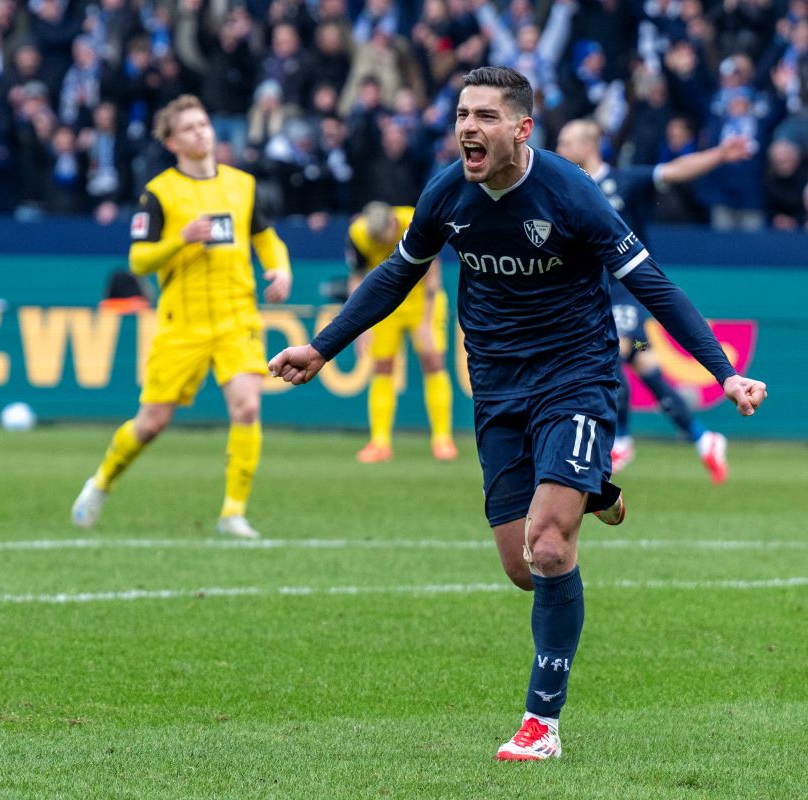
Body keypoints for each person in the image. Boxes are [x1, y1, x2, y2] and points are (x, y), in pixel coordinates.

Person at [269, 66, 766, 761]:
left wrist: (725, 371)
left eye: (485, 116)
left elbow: (650, 282)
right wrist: (322, 347)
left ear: (522, 129)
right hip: (497, 383)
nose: (467, 127)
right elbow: (396, 275)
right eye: (462, 115)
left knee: (552, 546)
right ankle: (592, 491)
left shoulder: (571, 194)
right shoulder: (447, 192)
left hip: (576, 376)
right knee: (522, 565)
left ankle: (541, 725)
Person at [72, 95, 293, 539]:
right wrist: (181, 240)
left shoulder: (241, 186)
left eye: (204, 124)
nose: (201, 132)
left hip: (236, 315)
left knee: (248, 406)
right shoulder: (159, 194)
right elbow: (138, 261)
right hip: (182, 322)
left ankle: (233, 513)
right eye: (189, 128)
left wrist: (280, 267)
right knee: (151, 423)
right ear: (172, 141)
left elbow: (265, 237)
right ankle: (101, 482)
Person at [555, 117, 750, 480]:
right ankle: (702, 437)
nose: (560, 149)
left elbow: (675, 171)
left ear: (587, 146)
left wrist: (721, 154)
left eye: (566, 142)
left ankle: (623, 440)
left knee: (611, 350)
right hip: (593, 293)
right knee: (642, 360)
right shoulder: (568, 189)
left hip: (626, 290)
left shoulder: (623, 181)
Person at [346, 200, 457, 462]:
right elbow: (357, 277)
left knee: (433, 361)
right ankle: (379, 442)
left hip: (420, 298)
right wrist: (359, 326)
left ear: (392, 224)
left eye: (383, 240)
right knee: (382, 366)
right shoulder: (359, 234)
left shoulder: (412, 222)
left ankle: (442, 439)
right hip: (385, 299)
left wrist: (427, 322)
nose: (380, 247)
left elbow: (433, 270)